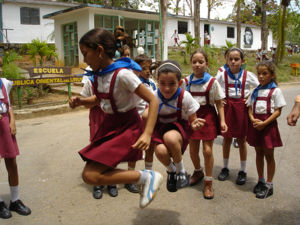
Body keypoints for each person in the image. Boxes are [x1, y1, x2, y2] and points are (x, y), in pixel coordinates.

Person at [69, 28, 163, 209]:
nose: (84, 60)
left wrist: (147, 133)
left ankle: (146, 177)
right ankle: (145, 178)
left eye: (85, 53)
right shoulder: (99, 75)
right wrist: (81, 102)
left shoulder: (123, 75)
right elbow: (98, 99)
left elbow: (153, 99)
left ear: (99, 51)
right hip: (109, 125)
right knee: (90, 175)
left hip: (126, 126)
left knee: (91, 174)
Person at [145, 60, 205, 193]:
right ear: (157, 82)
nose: (166, 88)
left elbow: (193, 120)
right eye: (162, 83)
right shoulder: (154, 97)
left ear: (180, 83)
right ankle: (171, 171)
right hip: (160, 130)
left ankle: (181, 172)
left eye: (172, 84)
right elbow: (147, 117)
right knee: (160, 151)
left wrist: (195, 124)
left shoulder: (185, 97)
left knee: (170, 137)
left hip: (178, 130)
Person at [181, 49, 227, 199]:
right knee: (193, 150)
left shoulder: (212, 82)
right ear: (191, 64)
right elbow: (181, 102)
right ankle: (198, 171)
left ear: (206, 64)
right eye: (194, 62)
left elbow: (219, 103)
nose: (197, 65)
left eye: (201, 62)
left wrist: (222, 121)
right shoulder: (186, 82)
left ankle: (208, 181)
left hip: (207, 116)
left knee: (207, 151)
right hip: (192, 117)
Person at [215, 47, 259, 185]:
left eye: (236, 59)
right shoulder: (222, 75)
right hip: (228, 108)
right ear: (226, 61)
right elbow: (214, 87)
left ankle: (243, 170)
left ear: (242, 61)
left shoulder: (248, 75)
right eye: (230, 59)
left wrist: (250, 97)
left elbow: (259, 87)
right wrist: (219, 98)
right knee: (227, 139)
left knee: (241, 140)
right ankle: (225, 167)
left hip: (241, 109)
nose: (233, 62)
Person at [247, 61, 286, 198]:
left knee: (269, 154)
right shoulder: (255, 91)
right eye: (259, 74)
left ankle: (269, 184)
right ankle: (260, 180)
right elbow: (250, 108)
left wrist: (264, 123)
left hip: (268, 126)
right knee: (258, 153)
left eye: (265, 73)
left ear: (272, 75)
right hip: (257, 125)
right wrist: (252, 119)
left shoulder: (275, 91)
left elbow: (278, 111)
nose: (261, 77)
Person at [0, 56, 31, 219]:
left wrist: (12, 120)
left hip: (5, 126)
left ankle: (15, 199)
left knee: (12, 162)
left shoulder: (4, 83)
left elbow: (9, 105)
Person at [80, 70, 118, 199]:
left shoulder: (115, 80)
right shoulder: (90, 82)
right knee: (97, 149)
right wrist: (96, 100)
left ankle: (111, 182)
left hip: (112, 118)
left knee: (112, 149)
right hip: (97, 119)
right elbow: (85, 103)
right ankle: (97, 183)